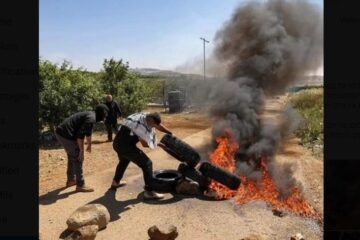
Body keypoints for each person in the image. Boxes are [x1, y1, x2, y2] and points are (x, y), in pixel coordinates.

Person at [111, 112, 172, 200]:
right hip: (125, 146)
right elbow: (145, 144)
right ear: (150, 120)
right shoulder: (140, 128)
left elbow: (158, 125)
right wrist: (159, 144)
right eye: (153, 125)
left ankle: (115, 182)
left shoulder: (144, 115)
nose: (154, 127)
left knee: (124, 160)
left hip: (117, 143)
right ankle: (149, 192)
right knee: (147, 163)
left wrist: (169, 133)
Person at [55, 104, 109, 192]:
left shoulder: (92, 115)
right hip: (66, 134)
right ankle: (80, 184)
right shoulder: (91, 118)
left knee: (71, 155)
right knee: (78, 157)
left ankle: (71, 180)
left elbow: (88, 133)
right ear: (102, 113)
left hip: (62, 132)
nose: (106, 116)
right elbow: (80, 136)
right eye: (106, 113)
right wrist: (81, 151)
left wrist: (89, 145)